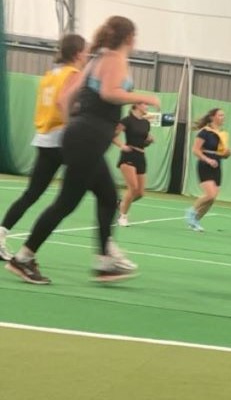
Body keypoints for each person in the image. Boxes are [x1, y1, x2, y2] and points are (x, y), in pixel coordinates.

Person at [6, 16, 159, 284]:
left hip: (80, 136)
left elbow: (65, 99)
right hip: (86, 139)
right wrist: (144, 98)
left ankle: (104, 261)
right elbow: (111, 93)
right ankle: (24, 258)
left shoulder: (95, 60)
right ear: (129, 38)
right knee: (66, 203)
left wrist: (74, 126)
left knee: (108, 196)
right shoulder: (114, 58)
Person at [0, 34, 86, 261]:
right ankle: (107, 246)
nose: (87, 55)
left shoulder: (49, 75)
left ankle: (1, 233)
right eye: (85, 51)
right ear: (78, 53)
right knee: (79, 190)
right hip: (61, 139)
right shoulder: (73, 75)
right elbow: (64, 104)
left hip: (43, 138)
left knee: (31, 194)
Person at [186, 108, 231, 232]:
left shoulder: (223, 134)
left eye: (223, 115)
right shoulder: (204, 132)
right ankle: (191, 211)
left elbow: (223, 154)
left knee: (212, 199)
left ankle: (195, 221)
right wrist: (207, 160)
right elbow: (195, 150)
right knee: (209, 194)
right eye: (220, 115)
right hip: (205, 165)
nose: (223, 117)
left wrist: (227, 153)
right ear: (212, 117)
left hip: (217, 165)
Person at [113, 102, 153, 227]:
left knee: (140, 193)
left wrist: (149, 141)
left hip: (141, 157)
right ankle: (123, 216)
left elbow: (144, 141)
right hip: (128, 155)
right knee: (133, 188)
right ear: (137, 106)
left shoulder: (146, 123)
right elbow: (113, 135)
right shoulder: (127, 120)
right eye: (145, 105)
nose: (147, 107)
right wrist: (121, 145)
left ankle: (121, 204)